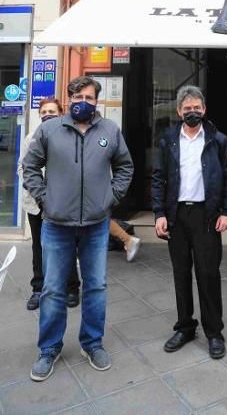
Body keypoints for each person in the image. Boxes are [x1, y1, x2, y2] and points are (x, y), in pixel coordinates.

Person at [23, 76, 134, 381]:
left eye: (88, 96)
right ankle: (48, 348)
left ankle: (92, 342)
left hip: (96, 225)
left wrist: (111, 197)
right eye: (76, 95)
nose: (82, 100)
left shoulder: (109, 130)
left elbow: (125, 166)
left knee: (96, 287)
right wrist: (46, 199)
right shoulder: (49, 129)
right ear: (68, 97)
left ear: (96, 101)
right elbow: (29, 167)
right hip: (56, 225)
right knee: (53, 289)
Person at [152, 85, 227, 360]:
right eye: (186, 108)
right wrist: (159, 213)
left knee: (208, 274)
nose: (192, 112)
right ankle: (185, 327)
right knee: (181, 274)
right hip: (177, 216)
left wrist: (226, 211)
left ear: (204, 109)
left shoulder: (218, 140)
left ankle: (214, 332)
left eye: (196, 108)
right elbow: (158, 177)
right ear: (178, 111)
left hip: (207, 216)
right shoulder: (168, 139)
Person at [19, 98, 81, 311]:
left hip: (63, 204)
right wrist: (38, 191)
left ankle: (72, 288)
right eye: (44, 111)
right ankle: (39, 288)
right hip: (36, 203)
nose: (47, 114)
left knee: (67, 245)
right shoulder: (31, 139)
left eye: (52, 111)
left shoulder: (71, 137)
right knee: (38, 247)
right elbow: (23, 168)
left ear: (61, 113)